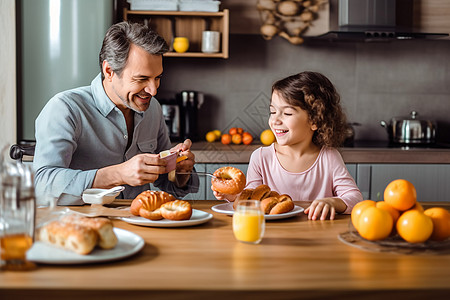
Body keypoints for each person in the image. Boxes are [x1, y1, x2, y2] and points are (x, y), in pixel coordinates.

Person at [33, 21, 198, 205]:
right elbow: (42, 185)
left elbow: (167, 182)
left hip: (141, 227)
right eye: (141, 79)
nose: (153, 90)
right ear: (109, 71)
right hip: (82, 227)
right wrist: (118, 174)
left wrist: (180, 171)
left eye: (157, 78)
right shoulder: (66, 108)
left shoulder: (153, 109)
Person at [213, 71, 363, 220]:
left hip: (317, 235)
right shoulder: (261, 157)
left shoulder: (329, 157)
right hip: (271, 237)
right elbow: (250, 199)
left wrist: (332, 202)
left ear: (314, 121)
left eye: (287, 113)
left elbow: (355, 198)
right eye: (272, 111)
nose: (275, 120)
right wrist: (232, 196)